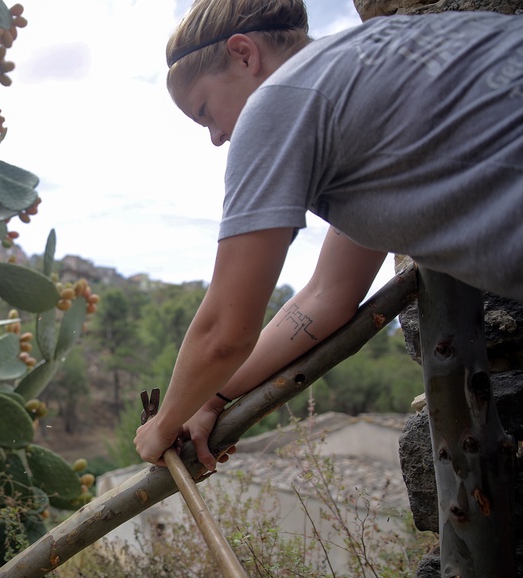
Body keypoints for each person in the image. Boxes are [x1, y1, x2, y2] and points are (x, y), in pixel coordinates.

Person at [134, 0, 523, 469]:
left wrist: (164, 424)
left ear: (243, 55)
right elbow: (327, 295)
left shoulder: (278, 99)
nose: (217, 137)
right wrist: (210, 400)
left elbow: (224, 331)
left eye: (205, 112)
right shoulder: (368, 79)